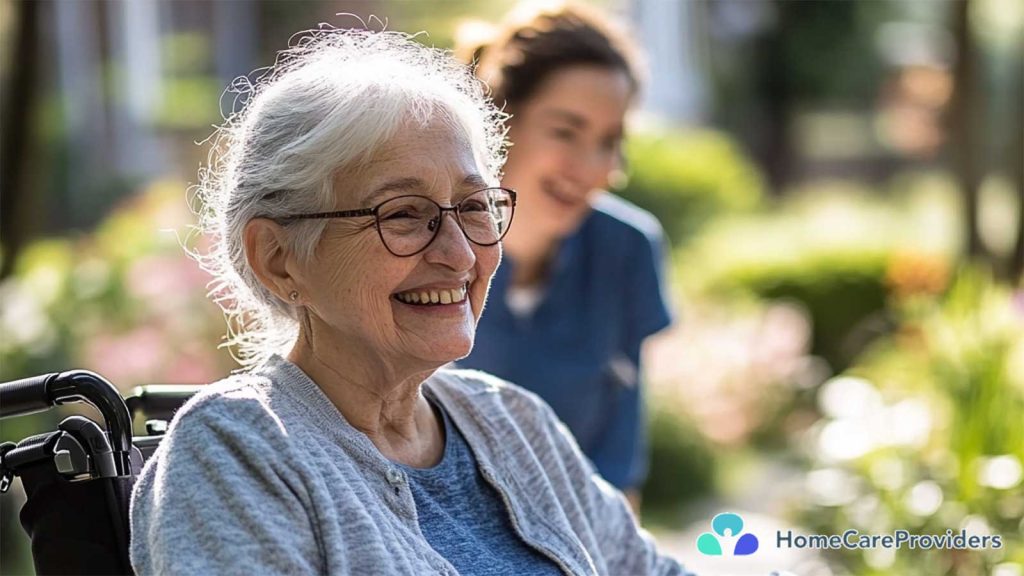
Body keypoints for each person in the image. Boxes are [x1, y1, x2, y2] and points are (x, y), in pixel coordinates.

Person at [129, 25, 692, 576]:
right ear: (278, 258)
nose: (461, 254)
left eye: (473, 208)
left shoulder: (512, 421)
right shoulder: (238, 450)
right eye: (402, 214)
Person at [455, 2, 673, 502]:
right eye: (566, 131)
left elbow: (619, 462)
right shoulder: (420, 247)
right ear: (500, 120)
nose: (590, 166)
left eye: (608, 141)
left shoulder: (627, 249)